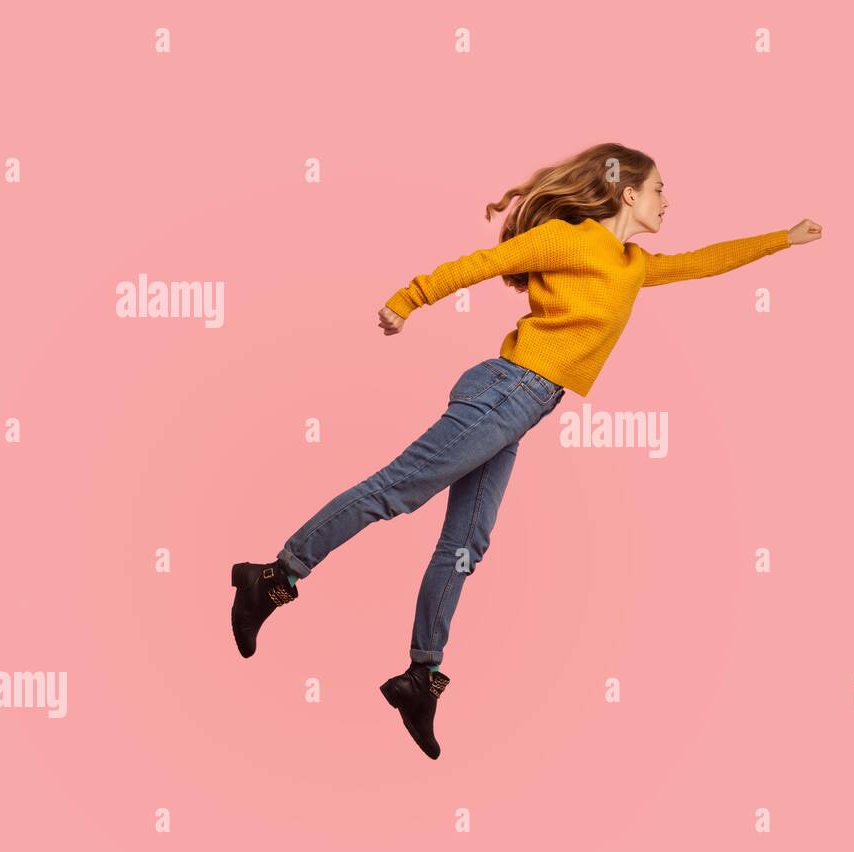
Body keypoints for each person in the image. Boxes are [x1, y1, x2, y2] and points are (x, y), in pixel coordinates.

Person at [230, 142, 822, 759]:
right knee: (397, 491)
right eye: (659, 190)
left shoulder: (632, 263)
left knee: (467, 544)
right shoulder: (571, 241)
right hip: (505, 391)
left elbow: (703, 262)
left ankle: (419, 678)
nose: (667, 201)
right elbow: (488, 260)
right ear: (628, 194)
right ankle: (273, 576)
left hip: (525, 404)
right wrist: (408, 300)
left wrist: (783, 238)